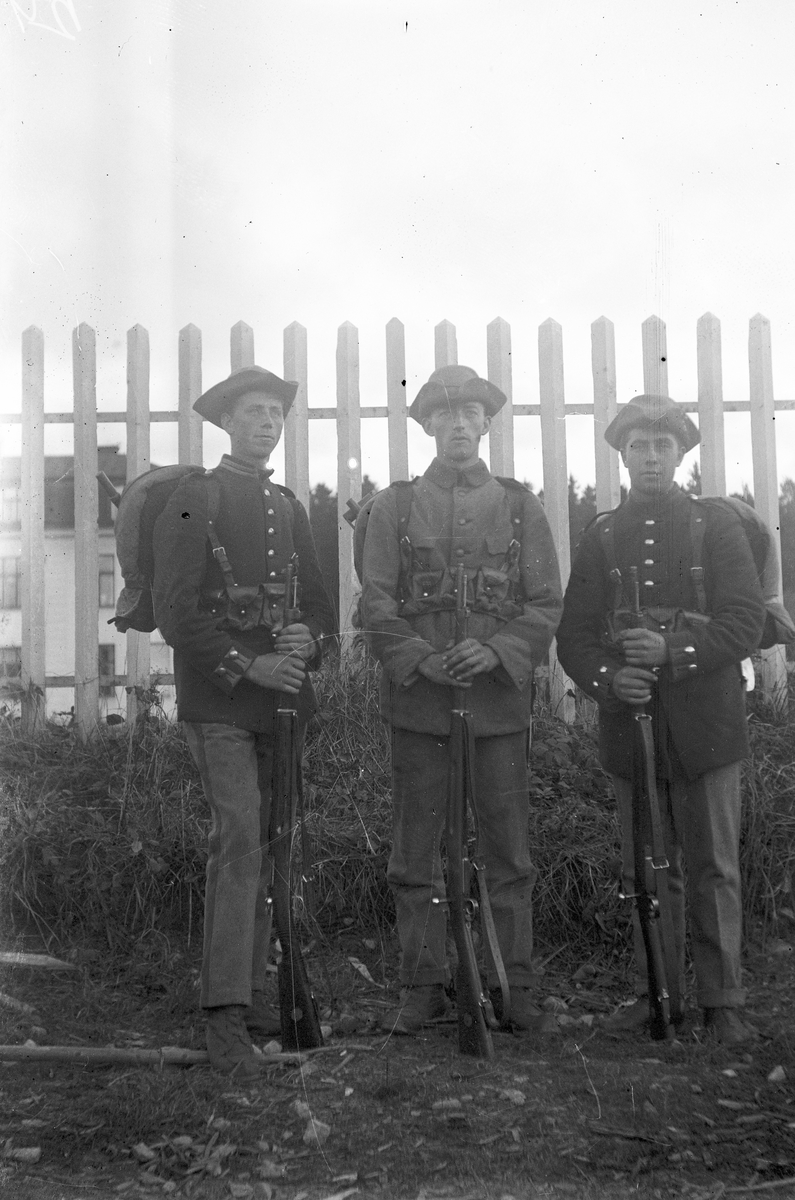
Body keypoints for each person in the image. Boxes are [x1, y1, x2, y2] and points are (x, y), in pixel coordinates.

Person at [556, 394, 766, 1046]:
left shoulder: (716, 527)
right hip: (632, 725)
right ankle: (658, 996)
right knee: (646, 869)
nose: (650, 457)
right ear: (622, 456)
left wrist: (672, 650)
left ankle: (722, 1003)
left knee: (713, 866)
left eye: (661, 446)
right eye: (638, 447)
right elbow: (573, 637)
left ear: (679, 454)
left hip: (707, 725)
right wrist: (608, 680)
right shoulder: (602, 536)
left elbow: (745, 621)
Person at [359, 365, 563, 1035]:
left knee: (507, 851)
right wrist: (420, 657)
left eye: (470, 412)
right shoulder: (392, 507)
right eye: (444, 414)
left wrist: (498, 650)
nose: (458, 423)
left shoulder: (519, 506)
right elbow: (375, 602)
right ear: (426, 425)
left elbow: (544, 602)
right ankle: (422, 986)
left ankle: (512, 987)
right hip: (420, 706)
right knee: (415, 850)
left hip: (497, 708)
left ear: (485, 424)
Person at [152, 366, 334, 1081]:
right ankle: (223, 1012)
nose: (266, 424)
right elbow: (174, 611)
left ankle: (255, 995)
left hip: (283, 701)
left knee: (274, 844)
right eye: (253, 412)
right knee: (238, 843)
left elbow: (319, 605)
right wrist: (247, 664)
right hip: (221, 699)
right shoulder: (193, 499)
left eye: (275, 414)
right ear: (226, 423)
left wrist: (307, 638)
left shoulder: (287, 505)